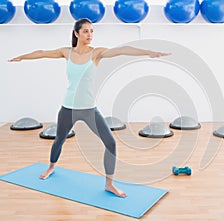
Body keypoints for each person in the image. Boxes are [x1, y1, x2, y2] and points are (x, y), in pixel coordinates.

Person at [8, 18, 170, 198]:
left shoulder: (96, 53)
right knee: (59, 140)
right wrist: (23, 57)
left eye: (92, 31)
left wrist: (148, 52)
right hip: (68, 108)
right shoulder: (66, 52)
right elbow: (42, 53)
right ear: (76, 33)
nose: (90, 35)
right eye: (85, 31)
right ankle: (51, 166)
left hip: (89, 109)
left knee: (110, 143)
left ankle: (109, 183)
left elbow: (122, 50)